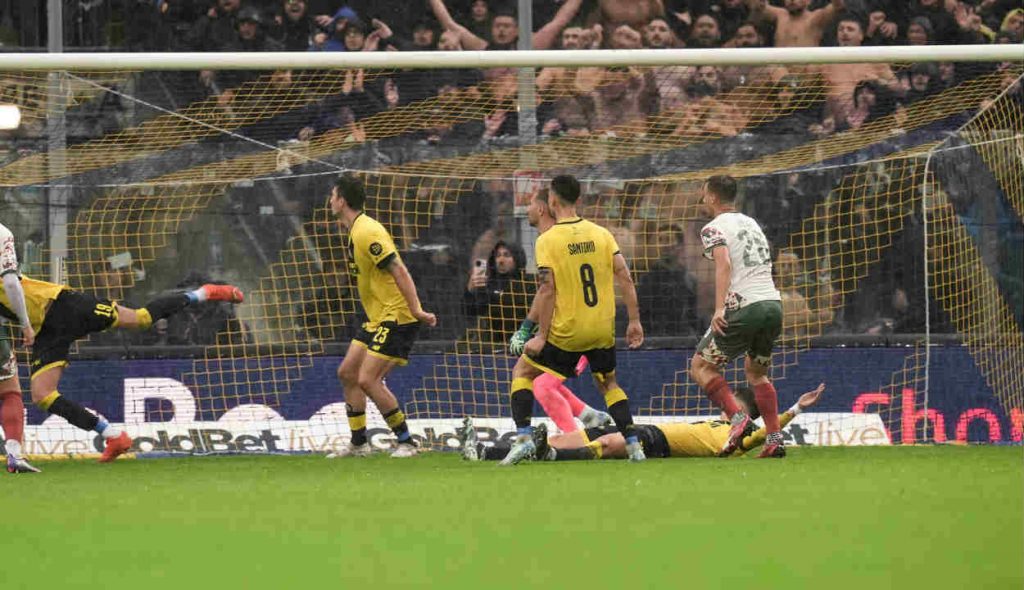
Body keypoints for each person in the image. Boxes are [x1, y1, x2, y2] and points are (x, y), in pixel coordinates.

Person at [0, 222, 244, 464]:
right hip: (47, 330)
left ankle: (204, 293)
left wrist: (24, 324)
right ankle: (114, 436)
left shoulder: (3, 244)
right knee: (43, 395)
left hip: (63, 305)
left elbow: (12, 284)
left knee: (141, 318)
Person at [501, 175, 646, 465]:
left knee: (523, 372)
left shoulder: (548, 240)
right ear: (578, 199)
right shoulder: (602, 234)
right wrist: (634, 321)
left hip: (568, 332)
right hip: (602, 329)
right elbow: (625, 276)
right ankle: (634, 446)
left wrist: (541, 336)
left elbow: (547, 289)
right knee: (609, 384)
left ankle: (524, 440)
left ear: (552, 200)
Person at [325, 173, 437, 459]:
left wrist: (416, 309)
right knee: (347, 373)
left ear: (342, 201)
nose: (330, 201)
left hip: (397, 315)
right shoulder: (354, 230)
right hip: (377, 316)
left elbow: (399, 269)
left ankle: (407, 442)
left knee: (368, 379)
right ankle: (359, 444)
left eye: (333, 196)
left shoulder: (367, 231)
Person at [461, 383, 826, 462]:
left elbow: (761, 437)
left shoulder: (739, 439)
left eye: (733, 408)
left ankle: (550, 456)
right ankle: (484, 451)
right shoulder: (715, 424)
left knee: (607, 445)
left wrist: (796, 408)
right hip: (648, 429)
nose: (725, 409)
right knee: (564, 438)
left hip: (658, 442)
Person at [691, 175, 786, 458]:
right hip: (772, 304)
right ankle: (774, 438)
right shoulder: (752, 223)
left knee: (701, 366)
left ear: (712, 197)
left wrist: (719, 308)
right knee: (757, 373)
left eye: (704, 193)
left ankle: (737, 419)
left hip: (746, 306)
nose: (702, 198)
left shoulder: (712, 228)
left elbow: (724, 264)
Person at [504, 189, 613, 435]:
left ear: (542, 208)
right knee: (537, 377)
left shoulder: (553, 241)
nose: (527, 209)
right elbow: (545, 291)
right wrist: (526, 329)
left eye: (530, 204)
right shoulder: (558, 239)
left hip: (575, 333)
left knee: (540, 383)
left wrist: (534, 332)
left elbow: (548, 290)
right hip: (577, 329)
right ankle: (589, 417)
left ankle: (572, 440)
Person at [745, 0, 844, 47]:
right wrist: (759, 3)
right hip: (780, 75)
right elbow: (757, 6)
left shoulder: (816, 18)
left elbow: (838, 6)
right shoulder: (780, 15)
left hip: (807, 74)